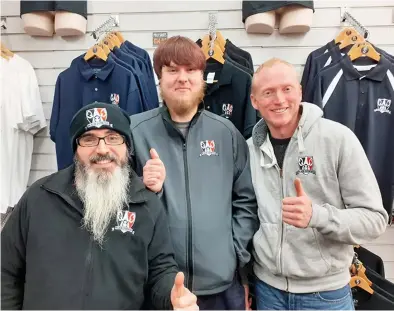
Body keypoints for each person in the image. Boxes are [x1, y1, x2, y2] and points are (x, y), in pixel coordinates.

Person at [1, 102, 198, 310]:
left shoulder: (146, 205)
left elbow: (161, 271)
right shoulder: (39, 197)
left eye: (113, 138)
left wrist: (172, 296)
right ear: (75, 149)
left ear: (127, 147)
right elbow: (5, 269)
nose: (102, 149)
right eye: (89, 139)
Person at [247, 58, 389, 310]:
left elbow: (375, 219)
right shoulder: (249, 149)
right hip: (267, 291)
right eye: (268, 92)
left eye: (287, 89)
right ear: (254, 101)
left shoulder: (338, 139)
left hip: (326, 296)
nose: (279, 99)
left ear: (300, 91)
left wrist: (317, 216)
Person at [129, 36, 258, 310]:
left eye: (190, 70)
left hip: (222, 287)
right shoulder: (135, 132)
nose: (182, 78)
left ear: (202, 78)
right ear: (160, 79)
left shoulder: (226, 133)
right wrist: (144, 186)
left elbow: (245, 200)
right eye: (172, 70)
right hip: (160, 289)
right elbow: (117, 205)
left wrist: (233, 253)